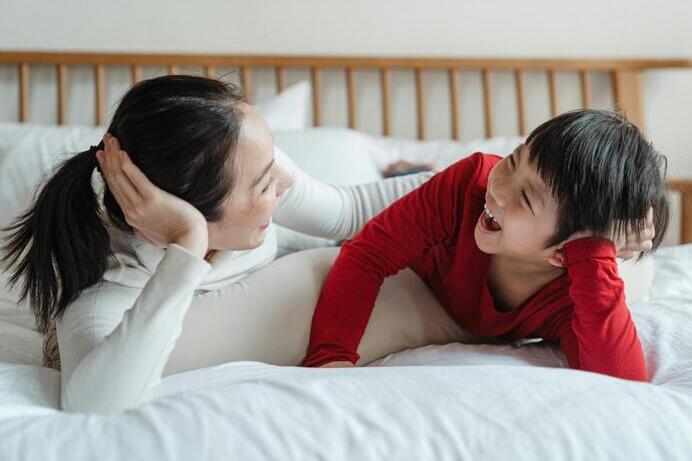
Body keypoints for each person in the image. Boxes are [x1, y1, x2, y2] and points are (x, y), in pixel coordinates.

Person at [1, 75, 434, 413]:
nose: (280, 187)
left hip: (318, 242)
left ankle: (401, 170)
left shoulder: (250, 161)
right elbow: (95, 404)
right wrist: (187, 244)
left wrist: (473, 181)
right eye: (264, 184)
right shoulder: (107, 286)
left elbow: (346, 209)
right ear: (193, 208)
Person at [300, 109, 669, 381]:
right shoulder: (473, 183)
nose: (500, 186)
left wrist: (595, 254)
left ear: (563, 253)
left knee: (641, 271)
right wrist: (330, 360)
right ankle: (407, 169)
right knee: (354, 215)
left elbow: (622, 381)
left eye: (525, 197)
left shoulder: (570, 290)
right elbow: (368, 253)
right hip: (427, 219)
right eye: (512, 161)